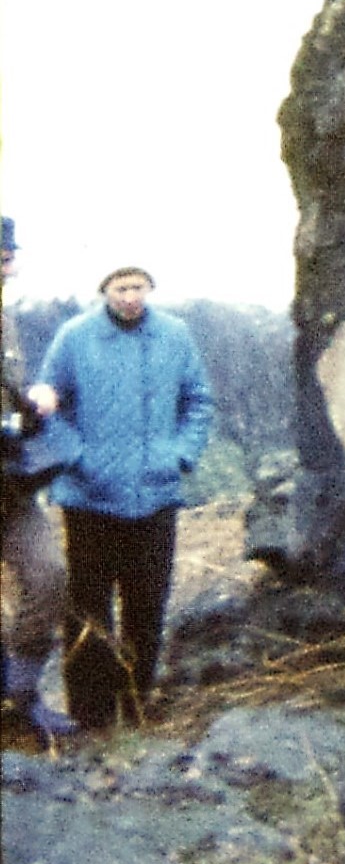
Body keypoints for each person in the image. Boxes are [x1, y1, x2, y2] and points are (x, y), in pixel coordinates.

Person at [25, 265, 214, 730]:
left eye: (138, 287)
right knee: (89, 608)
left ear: (150, 288)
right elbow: (47, 408)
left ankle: (136, 708)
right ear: (104, 289)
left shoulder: (175, 335)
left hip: (156, 497)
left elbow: (198, 401)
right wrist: (80, 459)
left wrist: (180, 455)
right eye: (120, 287)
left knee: (147, 604)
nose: (130, 296)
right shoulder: (74, 337)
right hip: (89, 499)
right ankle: (90, 718)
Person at [2, 217, 79, 741]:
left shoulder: (4, 316)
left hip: (10, 485)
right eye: (2, 258)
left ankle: (22, 695)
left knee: (48, 575)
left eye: (9, 257)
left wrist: (27, 407)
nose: (8, 266)